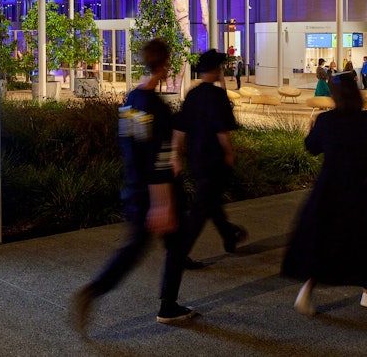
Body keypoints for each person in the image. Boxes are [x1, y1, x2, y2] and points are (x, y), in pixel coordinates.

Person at [71, 38, 193, 334]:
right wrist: (162, 203)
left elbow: (131, 146)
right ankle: (167, 305)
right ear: (164, 66)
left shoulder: (130, 101)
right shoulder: (158, 110)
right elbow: (160, 160)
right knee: (173, 246)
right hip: (157, 192)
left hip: (134, 187)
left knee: (137, 247)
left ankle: (96, 290)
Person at [282, 72, 367, 315]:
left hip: (328, 190)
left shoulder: (326, 121)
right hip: (359, 191)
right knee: (363, 242)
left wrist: (312, 129)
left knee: (323, 240)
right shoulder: (366, 121)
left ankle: (307, 291)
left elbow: (311, 148)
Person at [172, 49, 247, 270]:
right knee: (200, 209)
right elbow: (222, 130)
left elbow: (181, 126)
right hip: (214, 160)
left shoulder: (192, 95)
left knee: (209, 200)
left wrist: (177, 153)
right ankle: (181, 253)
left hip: (196, 158)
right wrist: (229, 153)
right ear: (215, 70)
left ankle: (229, 234)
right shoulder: (217, 96)